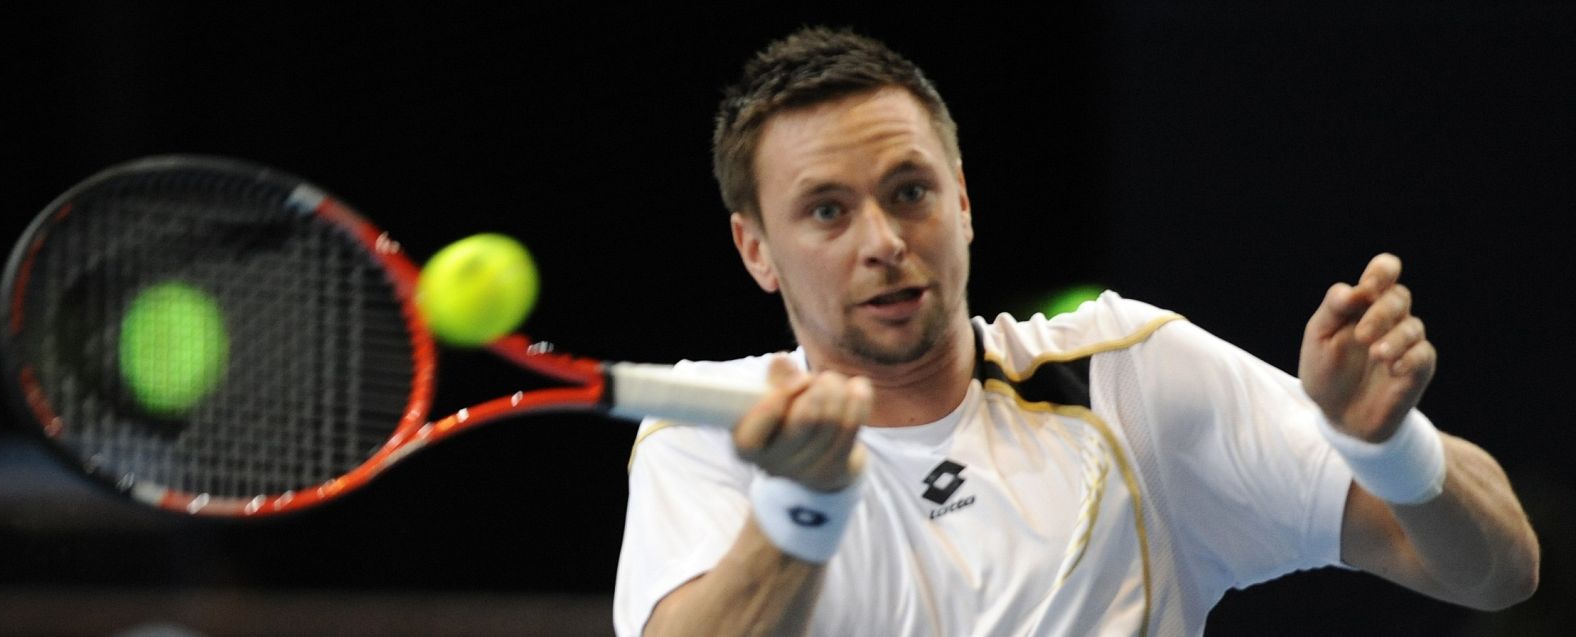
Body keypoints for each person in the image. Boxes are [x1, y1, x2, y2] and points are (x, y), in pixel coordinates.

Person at [614, 27, 1539, 636]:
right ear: (756, 249)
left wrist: (1382, 445)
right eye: (826, 211)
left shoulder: (1127, 374)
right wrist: (802, 501)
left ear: (963, 202)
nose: (885, 242)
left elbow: (1499, 571)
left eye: (910, 192)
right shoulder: (713, 431)